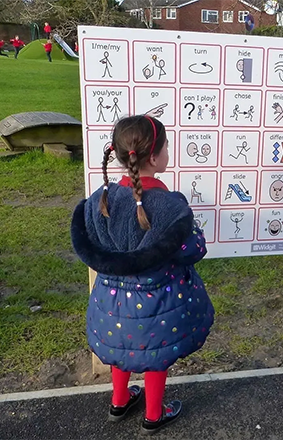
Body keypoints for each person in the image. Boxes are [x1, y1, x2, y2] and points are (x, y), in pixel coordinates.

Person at [71, 115, 214, 435]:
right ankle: (154, 413)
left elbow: (92, 241)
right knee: (155, 354)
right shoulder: (170, 206)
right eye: (166, 147)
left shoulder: (100, 198)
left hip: (110, 303)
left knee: (120, 350)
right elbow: (191, 250)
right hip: (157, 304)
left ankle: (120, 401)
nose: (168, 152)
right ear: (153, 156)